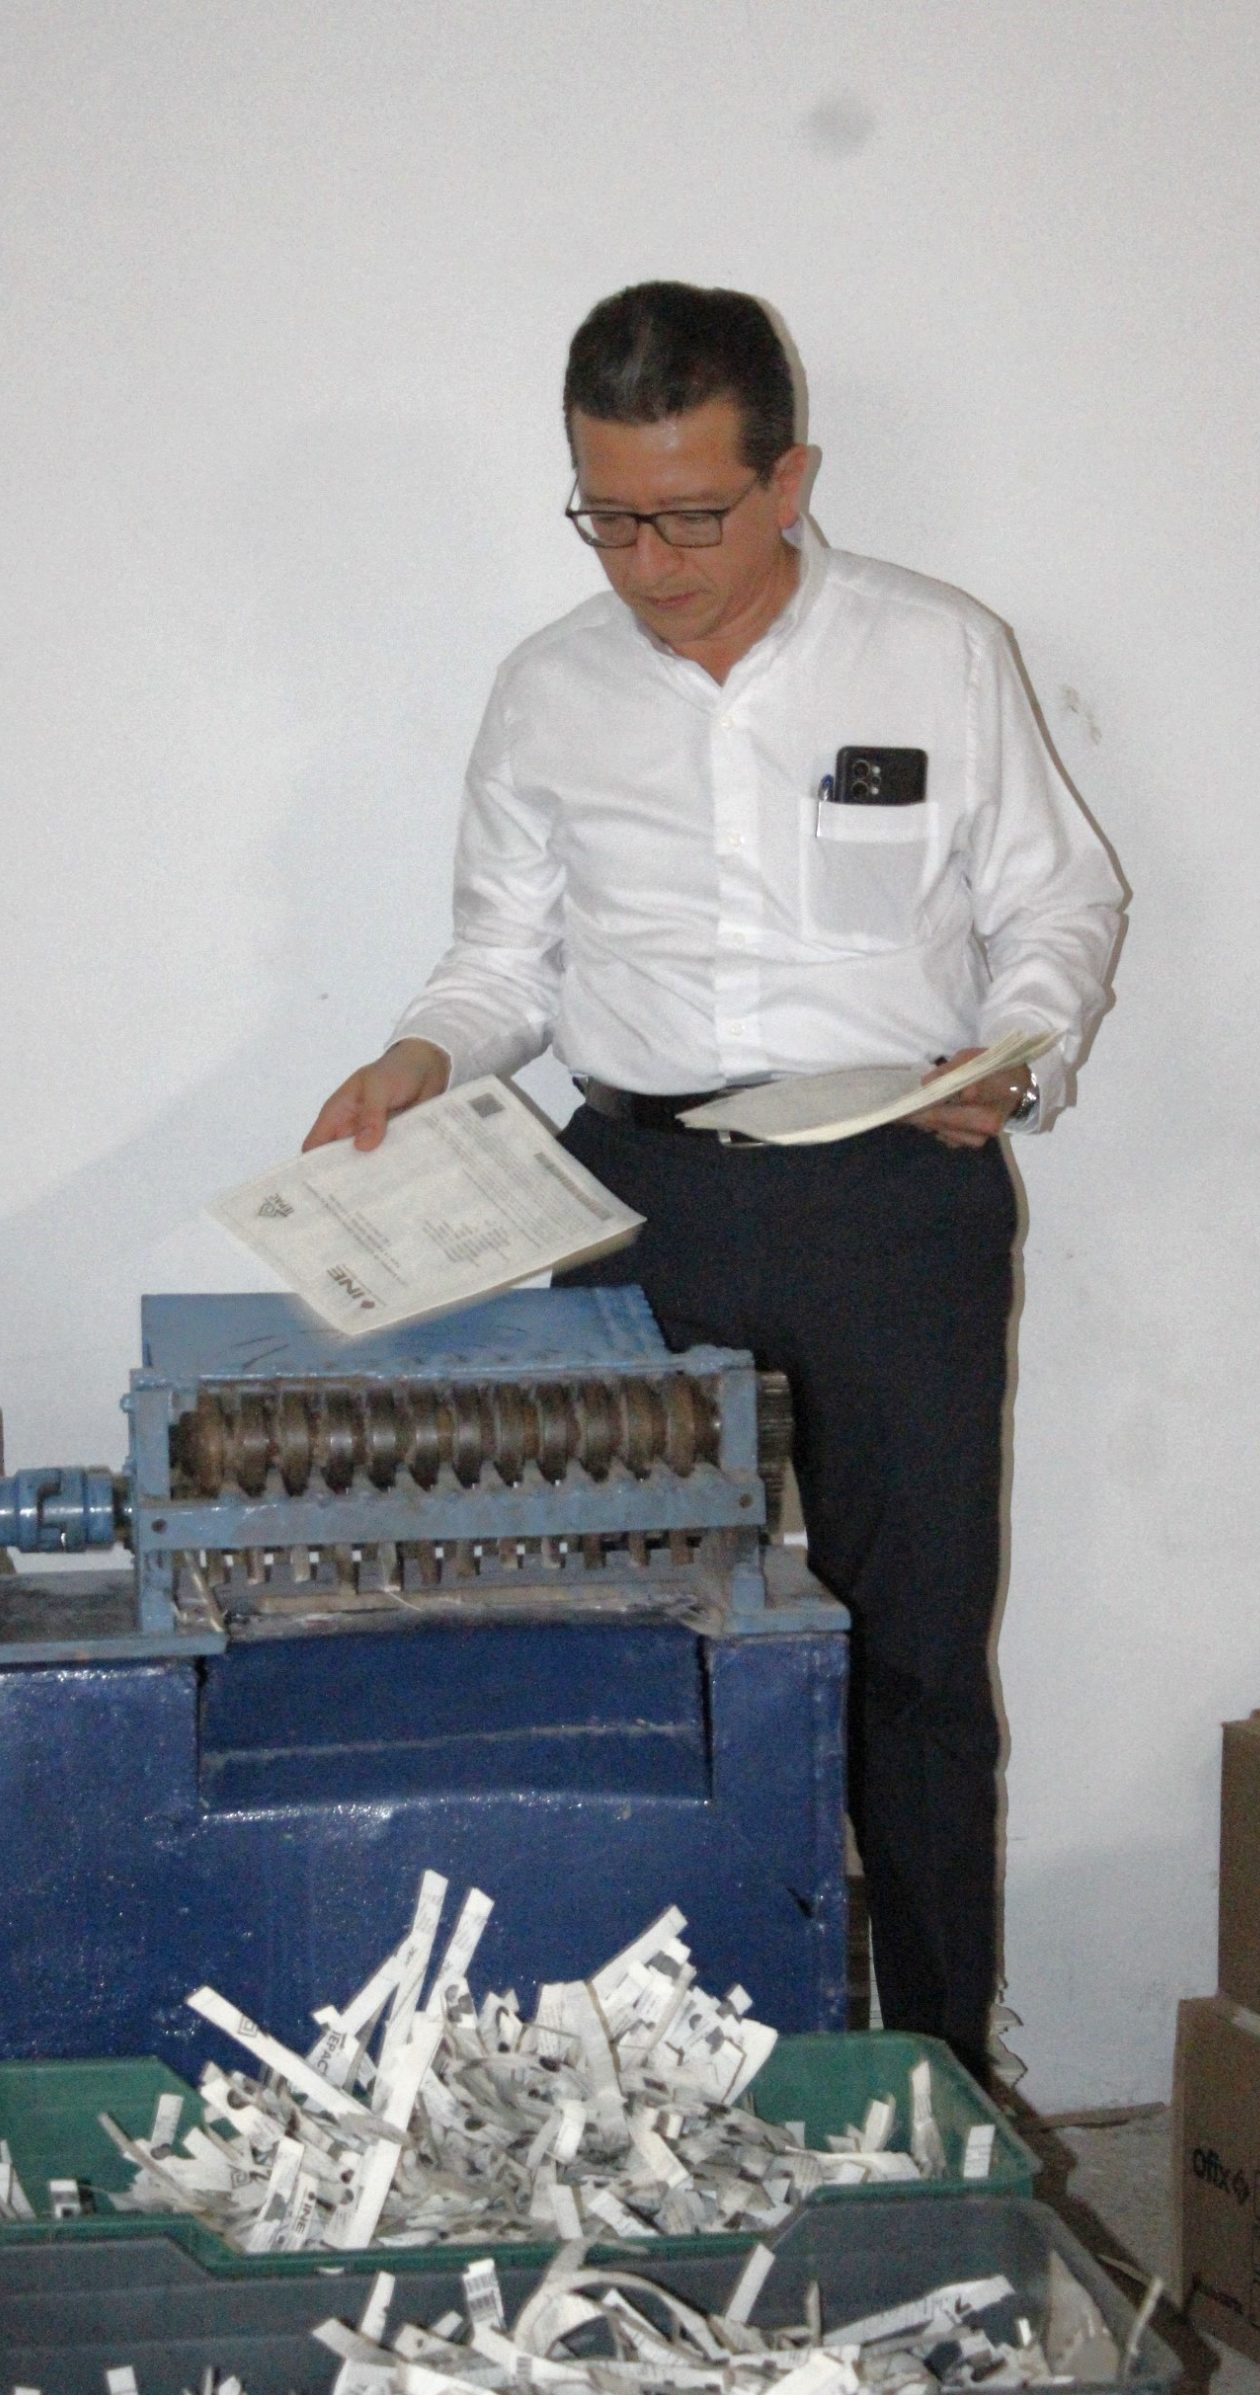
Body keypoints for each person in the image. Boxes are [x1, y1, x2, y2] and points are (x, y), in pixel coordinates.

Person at [305, 282, 1121, 2083]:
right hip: (638, 1201)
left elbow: (1061, 899)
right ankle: (655, 2082)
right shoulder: (549, 689)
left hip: (894, 1196)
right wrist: (421, 1059)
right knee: (636, 1648)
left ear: (789, 479)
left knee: (915, 1659)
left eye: (689, 516)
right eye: (608, 518)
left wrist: (1022, 1048)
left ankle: (937, 2070)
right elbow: (501, 959)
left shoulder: (936, 649)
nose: (651, 566)